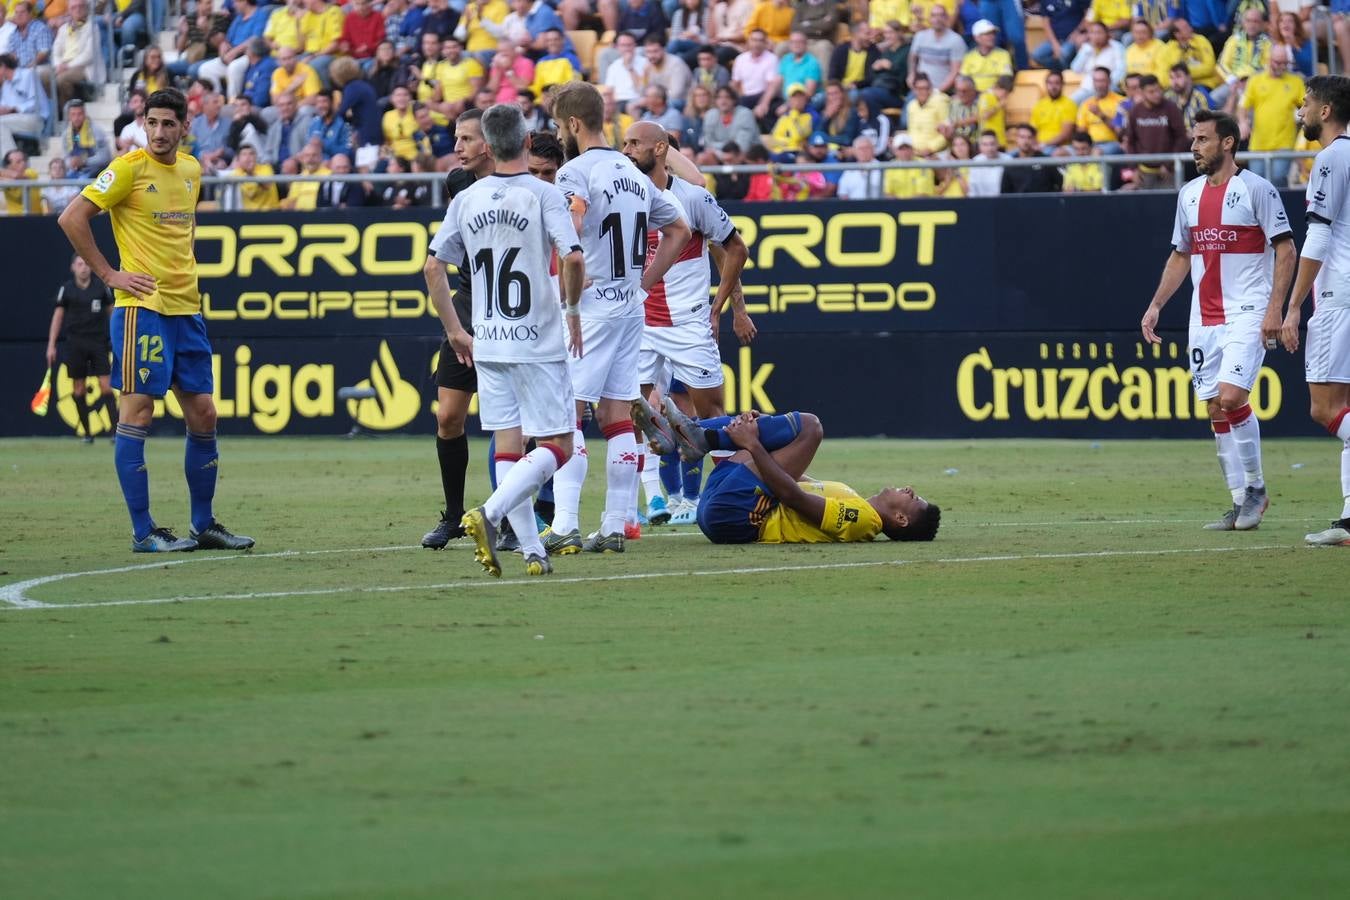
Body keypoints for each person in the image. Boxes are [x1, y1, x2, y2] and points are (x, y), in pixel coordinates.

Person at [57, 88, 254, 553]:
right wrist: (109, 274)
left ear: (186, 127)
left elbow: (186, 228)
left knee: (204, 413)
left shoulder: (191, 169)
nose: (160, 132)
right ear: (142, 124)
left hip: (187, 308)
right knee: (137, 411)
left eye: (169, 124)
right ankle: (143, 531)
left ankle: (203, 525)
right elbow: (71, 218)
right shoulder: (126, 169)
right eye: (153, 123)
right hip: (141, 309)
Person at [425, 104, 585, 577]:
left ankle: (533, 553)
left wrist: (456, 329)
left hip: (487, 340)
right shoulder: (542, 194)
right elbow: (572, 258)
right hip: (535, 339)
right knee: (560, 443)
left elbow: (434, 266)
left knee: (509, 447)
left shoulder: (466, 199)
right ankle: (490, 515)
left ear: (489, 147)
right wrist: (572, 310)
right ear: (526, 143)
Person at [547, 81, 690, 554]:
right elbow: (679, 228)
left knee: (567, 414)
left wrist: (570, 297)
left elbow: (571, 240)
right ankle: (613, 524)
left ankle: (565, 522)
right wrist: (645, 281)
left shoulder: (575, 172)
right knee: (616, 416)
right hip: (630, 307)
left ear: (571, 123)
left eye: (557, 125)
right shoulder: (634, 174)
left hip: (591, 310)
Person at [1140, 109, 1294, 532]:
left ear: (1228, 142)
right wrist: (1156, 305)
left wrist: (1275, 308)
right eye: (1194, 140)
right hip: (1203, 317)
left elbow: (1286, 249)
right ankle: (1237, 500)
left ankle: (1257, 491)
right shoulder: (1188, 194)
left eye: (1203, 139)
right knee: (1213, 407)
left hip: (1248, 311)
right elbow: (1181, 253)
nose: (1194, 147)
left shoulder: (1257, 190)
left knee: (1230, 397)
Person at [623, 122, 752, 526]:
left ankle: (726, 498)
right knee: (632, 412)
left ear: (660, 149)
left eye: (634, 143)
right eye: (623, 143)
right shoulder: (621, 198)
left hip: (687, 324)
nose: (625, 150)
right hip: (637, 323)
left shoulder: (693, 198)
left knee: (711, 413)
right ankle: (642, 505)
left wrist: (721, 308)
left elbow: (735, 249)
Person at [634, 406, 941, 544]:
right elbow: (786, 473)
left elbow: (791, 495)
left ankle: (699, 438)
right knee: (765, 428)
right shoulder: (853, 496)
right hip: (721, 506)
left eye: (913, 498)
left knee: (810, 427)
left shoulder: (863, 520)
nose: (910, 489)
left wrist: (753, 443)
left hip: (738, 517)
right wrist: (761, 434)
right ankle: (687, 439)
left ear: (901, 519)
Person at [1272, 76, 1350, 547]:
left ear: (1325, 111)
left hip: (1340, 294)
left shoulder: (1330, 157)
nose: (1299, 112)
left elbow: (1318, 237)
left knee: (1325, 408)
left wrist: (1293, 305)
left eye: (1305, 104)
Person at [421, 107, 495, 549]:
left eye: (465, 139)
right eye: (456, 138)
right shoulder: (459, 184)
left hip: (513, 315)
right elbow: (445, 254)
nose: (457, 147)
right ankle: (453, 516)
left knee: (517, 425)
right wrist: (453, 325)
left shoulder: (522, 183)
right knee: (449, 417)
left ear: (488, 142)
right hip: (468, 309)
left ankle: (519, 516)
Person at [46, 252, 116, 442]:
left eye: (86, 264)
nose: (84, 267)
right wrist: (51, 345)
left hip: (98, 342)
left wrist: (119, 338)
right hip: (75, 343)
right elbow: (57, 317)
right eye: (79, 264)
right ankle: (87, 433)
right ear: (73, 267)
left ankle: (115, 433)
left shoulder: (101, 287)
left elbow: (113, 314)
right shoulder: (66, 289)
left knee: (106, 387)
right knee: (78, 388)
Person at [1239, 44, 1303, 186]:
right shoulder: (1255, 80)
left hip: (1284, 143)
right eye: (1277, 62)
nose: (1280, 66)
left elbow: (1306, 106)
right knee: (1256, 184)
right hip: (1258, 144)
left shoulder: (1296, 82)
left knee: (1278, 179)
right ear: (1269, 60)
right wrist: (1243, 122)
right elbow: (1243, 105)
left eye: (1284, 63)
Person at [1123, 74, 1186, 189]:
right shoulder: (1135, 111)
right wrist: (1134, 168)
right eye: (1151, 92)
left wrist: (1169, 165)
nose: (1157, 94)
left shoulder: (1171, 108)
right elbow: (1130, 141)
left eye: (1158, 90)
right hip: (1144, 172)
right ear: (1142, 92)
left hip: (1167, 171)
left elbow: (1181, 138)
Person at [0, 52, 44, 161]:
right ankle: (10, 159)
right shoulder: (6, 84)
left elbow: (36, 103)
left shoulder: (28, 74)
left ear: (3, 67)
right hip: (14, 120)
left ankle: (12, 161)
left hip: (35, 119)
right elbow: (4, 105)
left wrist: (14, 109)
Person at [1000, 122, 1063, 193]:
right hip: (1019, 203)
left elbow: (1061, 184)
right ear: (1016, 139)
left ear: (1034, 139)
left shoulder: (1046, 161)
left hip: (1044, 203)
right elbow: (1005, 193)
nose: (1025, 141)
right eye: (1022, 137)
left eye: (1029, 137)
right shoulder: (1011, 165)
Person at [1030, 69, 1078, 152]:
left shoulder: (1069, 104)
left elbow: (1065, 134)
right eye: (1050, 83)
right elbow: (1032, 130)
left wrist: (1044, 144)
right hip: (1039, 146)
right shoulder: (1040, 104)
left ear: (1063, 84)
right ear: (1046, 84)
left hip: (1058, 147)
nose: (1053, 87)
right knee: (1013, 156)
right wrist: (1035, 144)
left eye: (1057, 83)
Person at [959, 19, 1012, 94]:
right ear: (977, 37)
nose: (992, 36)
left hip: (994, 94)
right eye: (987, 34)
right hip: (972, 95)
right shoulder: (969, 56)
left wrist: (989, 91)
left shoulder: (1003, 54)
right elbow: (964, 79)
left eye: (993, 33)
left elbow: (1005, 79)